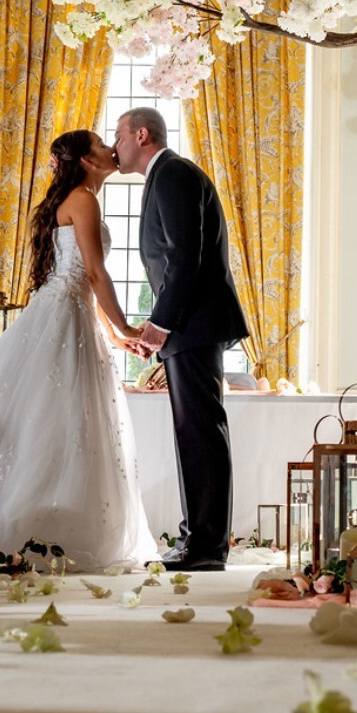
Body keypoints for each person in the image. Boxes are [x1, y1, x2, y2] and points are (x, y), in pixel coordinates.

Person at [0, 129, 156, 572]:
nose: (110, 149)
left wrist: (116, 335)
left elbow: (81, 280)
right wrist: (124, 324)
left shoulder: (78, 197)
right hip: (64, 315)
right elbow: (96, 274)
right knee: (56, 417)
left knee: (55, 418)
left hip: (68, 310)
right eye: (102, 144)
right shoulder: (84, 199)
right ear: (86, 160)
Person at [113, 108, 249, 571]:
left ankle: (207, 547)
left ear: (141, 134)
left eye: (119, 135)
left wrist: (161, 322)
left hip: (193, 325)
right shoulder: (167, 175)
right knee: (193, 433)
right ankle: (198, 539)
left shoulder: (172, 174)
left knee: (201, 433)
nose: (115, 146)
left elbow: (184, 256)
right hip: (191, 326)